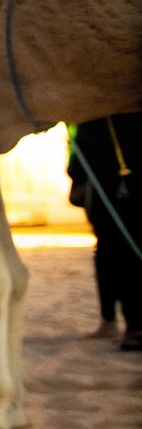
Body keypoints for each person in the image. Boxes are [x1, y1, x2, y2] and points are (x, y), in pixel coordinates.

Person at [69, 114, 141, 350]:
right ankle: (118, 322)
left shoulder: (100, 114)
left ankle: (131, 325)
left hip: (116, 187)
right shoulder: (100, 112)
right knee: (112, 254)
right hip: (109, 189)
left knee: (120, 256)